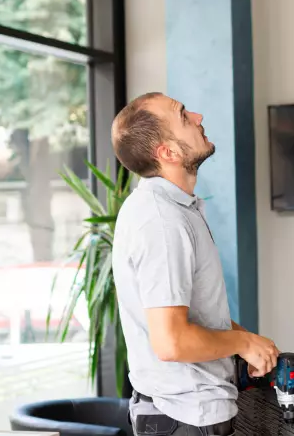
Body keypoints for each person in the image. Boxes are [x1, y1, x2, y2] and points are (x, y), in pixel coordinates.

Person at [111, 92, 280, 436]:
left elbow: (193, 313)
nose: (199, 117)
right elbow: (172, 342)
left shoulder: (170, 210)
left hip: (186, 414)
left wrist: (244, 338)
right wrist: (244, 345)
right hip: (186, 417)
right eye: (184, 116)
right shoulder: (162, 222)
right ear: (168, 153)